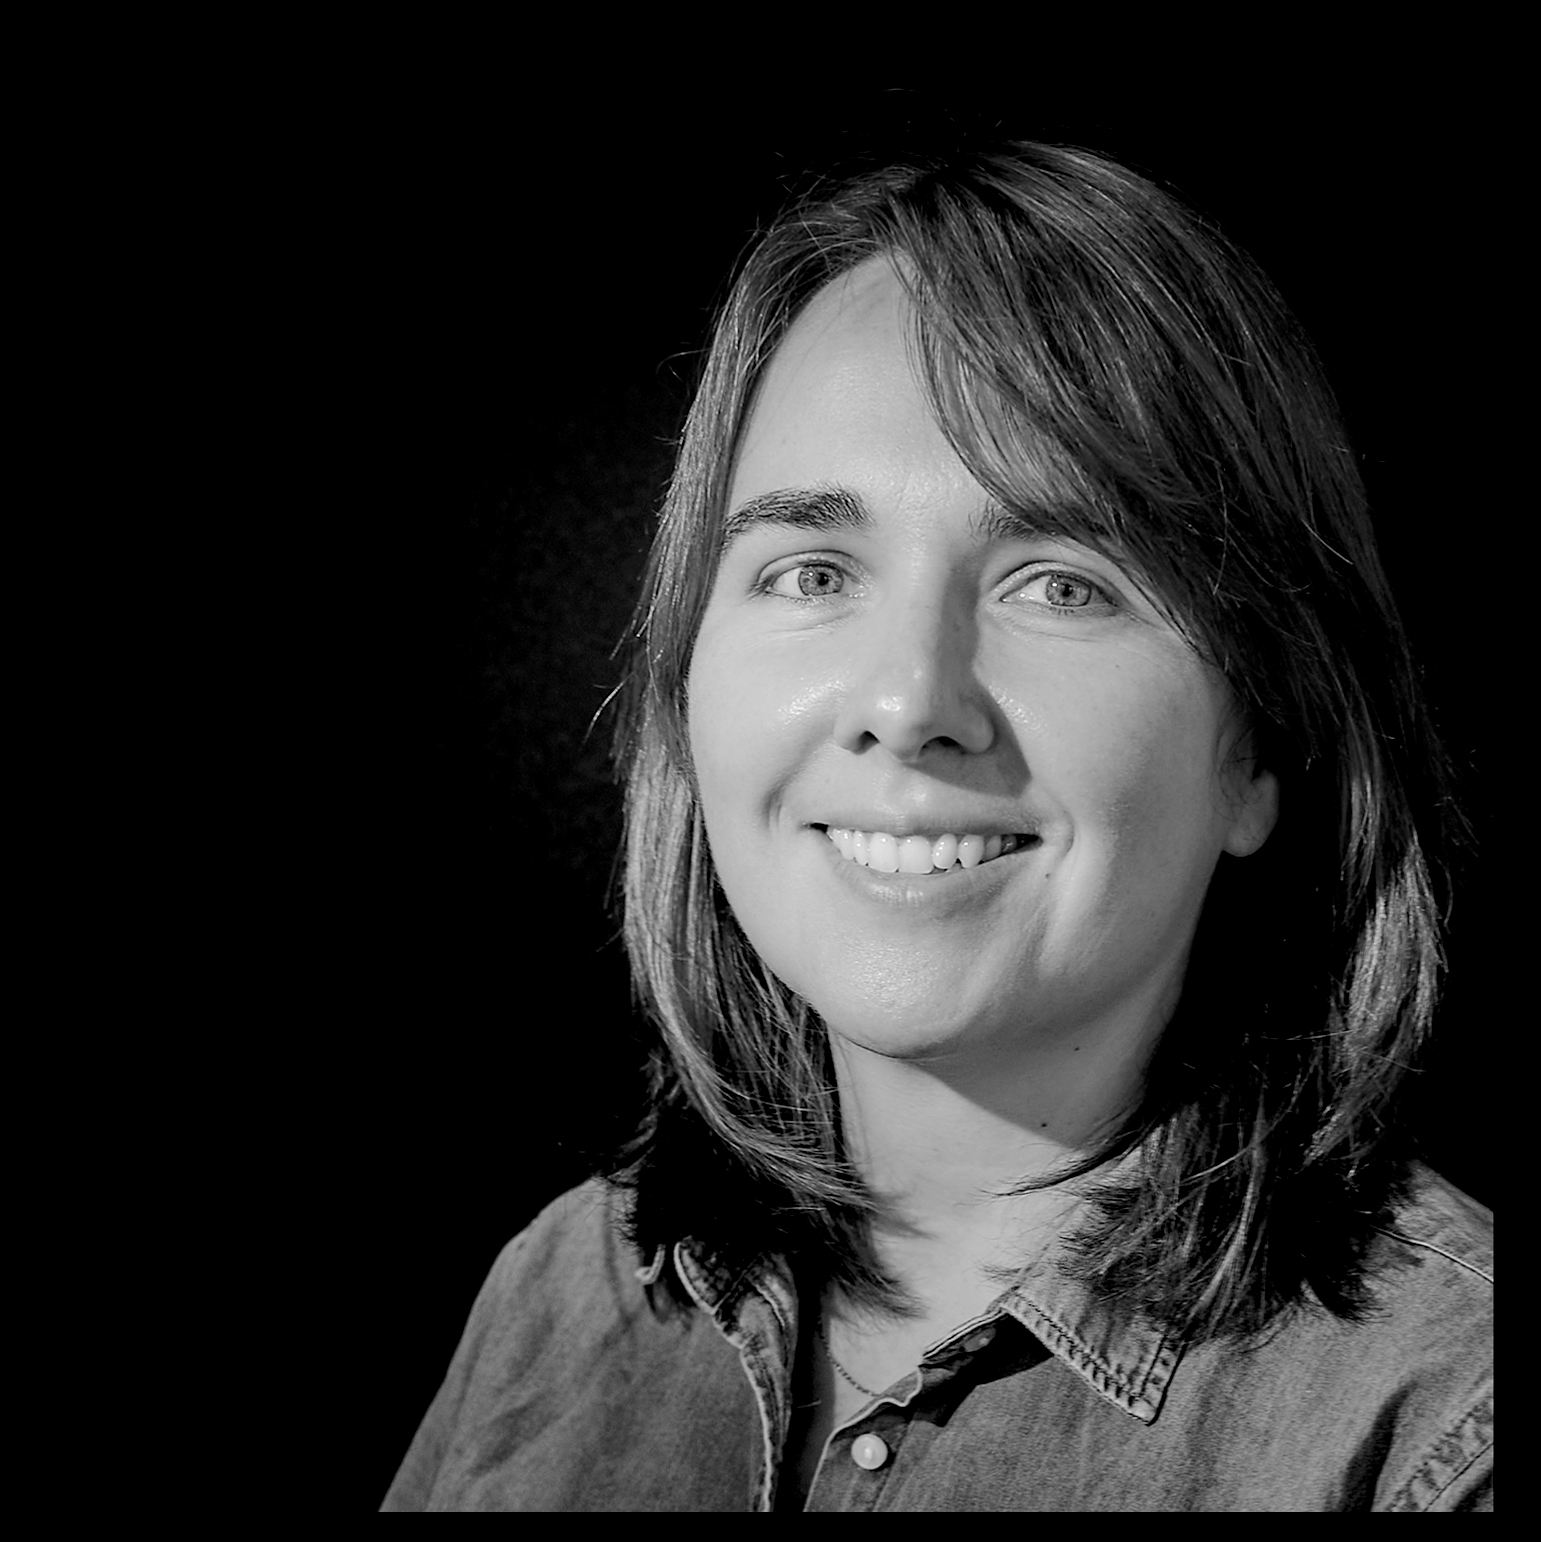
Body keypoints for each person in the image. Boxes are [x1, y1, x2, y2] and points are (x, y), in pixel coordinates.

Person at [382, 140, 1492, 1512]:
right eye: (811, 570)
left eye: (1062, 583)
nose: (909, 703)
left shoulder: (1443, 1426)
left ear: (1262, 746)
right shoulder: (565, 1292)